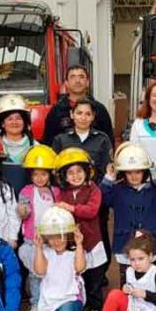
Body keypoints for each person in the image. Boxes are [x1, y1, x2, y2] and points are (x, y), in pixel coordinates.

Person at [52, 99, 113, 271]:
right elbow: (55, 171)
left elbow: (106, 169)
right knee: (69, 238)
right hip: (68, 197)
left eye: (88, 114)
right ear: (72, 115)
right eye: (79, 113)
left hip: (94, 196)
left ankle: (99, 274)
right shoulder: (61, 139)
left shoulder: (102, 139)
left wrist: (95, 194)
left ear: (93, 117)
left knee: (98, 236)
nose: (83, 117)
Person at [101, 143, 156, 282]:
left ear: (145, 171)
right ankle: (127, 303)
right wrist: (108, 179)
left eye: (138, 172)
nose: (134, 176)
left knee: (149, 278)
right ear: (123, 173)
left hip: (149, 240)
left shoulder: (153, 189)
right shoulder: (117, 189)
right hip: (125, 240)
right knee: (126, 278)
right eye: (129, 172)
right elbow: (103, 200)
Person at [53, 147, 106, 311]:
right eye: (70, 172)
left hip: (93, 243)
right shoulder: (63, 193)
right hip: (73, 245)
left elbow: (92, 211)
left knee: (95, 279)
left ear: (87, 172)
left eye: (79, 171)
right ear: (63, 176)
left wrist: (71, 208)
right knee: (76, 278)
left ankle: (96, 308)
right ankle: (78, 307)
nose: (75, 176)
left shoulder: (94, 189)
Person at [31, 207, 86, 311]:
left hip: (70, 298)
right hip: (49, 301)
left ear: (68, 235)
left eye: (60, 236)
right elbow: (40, 271)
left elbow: (80, 267)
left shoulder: (73, 252)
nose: (57, 241)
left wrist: (79, 244)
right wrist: (38, 248)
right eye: (52, 237)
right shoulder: (46, 252)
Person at [18, 145, 61, 311]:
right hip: (32, 240)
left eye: (43, 174)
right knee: (35, 273)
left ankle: (51, 299)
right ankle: (36, 302)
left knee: (52, 272)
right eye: (36, 174)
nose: (40, 178)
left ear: (50, 174)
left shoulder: (56, 192)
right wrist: (22, 210)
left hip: (52, 240)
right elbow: (23, 211)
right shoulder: (26, 191)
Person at [42, 64, 114, 147]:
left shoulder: (99, 110)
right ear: (66, 83)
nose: (77, 81)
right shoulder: (56, 111)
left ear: (87, 82)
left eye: (81, 77)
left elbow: (109, 141)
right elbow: (47, 143)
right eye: (72, 77)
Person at [0, 94, 35, 196]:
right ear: (2, 123)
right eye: (9, 119)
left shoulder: (36, 147)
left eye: (18, 118)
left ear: (25, 122)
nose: (15, 122)